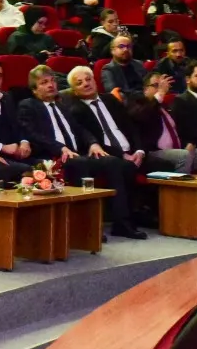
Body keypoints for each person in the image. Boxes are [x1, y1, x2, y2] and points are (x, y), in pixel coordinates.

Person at [16, 65, 143, 238]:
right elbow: (33, 134)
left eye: (52, 81)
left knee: (115, 162)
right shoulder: (28, 105)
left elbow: (80, 129)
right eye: (44, 83)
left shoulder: (62, 105)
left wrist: (93, 143)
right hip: (51, 157)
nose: (51, 85)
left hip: (76, 154)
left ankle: (122, 223)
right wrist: (60, 148)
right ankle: (86, 226)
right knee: (80, 163)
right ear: (34, 89)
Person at [62, 64, 175, 181]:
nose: (86, 84)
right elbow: (95, 141)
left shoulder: (110, 99)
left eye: (88, 79)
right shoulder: (76, 111)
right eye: (79, 83)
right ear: (74, 92)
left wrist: (139, 151)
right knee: (125, 167)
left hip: (133, 152)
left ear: (95, 81)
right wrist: (122, 155)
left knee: (166, 166)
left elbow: (131, 127)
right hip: (112, 156)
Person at [126, 71, 197, 174]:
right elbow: (142, 116)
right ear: (145, 89)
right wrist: (160, 94)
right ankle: (181, 190)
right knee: (184, 156)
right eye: (156, 85)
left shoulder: (166, 106)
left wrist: (188, 143)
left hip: (179, 149)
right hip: (154, 152)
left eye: (162, 85)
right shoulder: (139, 102)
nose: (160, 88)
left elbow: (182, 129)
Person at [100, 34, 146, 102]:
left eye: (129, 46)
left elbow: (148, 84)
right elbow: (115, 94)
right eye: (121, 46)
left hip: (146, 101)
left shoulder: (139, 64)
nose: (126, 49)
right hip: (127, 105)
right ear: (112, 50)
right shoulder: (108, 70)